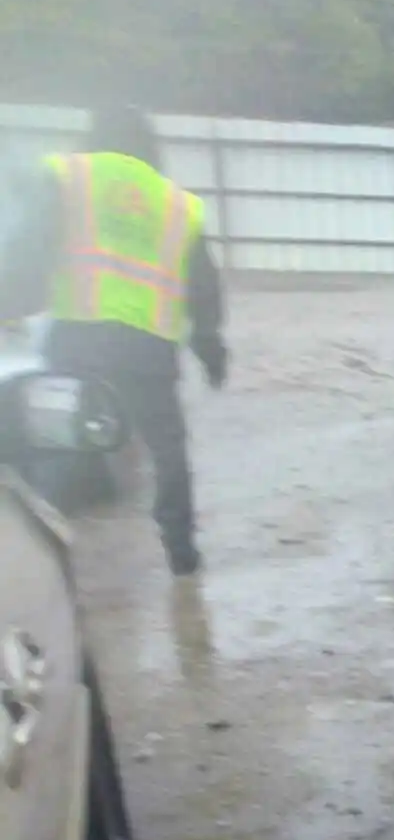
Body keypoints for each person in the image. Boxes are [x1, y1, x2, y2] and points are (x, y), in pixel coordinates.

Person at [0, 104, 228, 575]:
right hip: (149, 346)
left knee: (54, 439)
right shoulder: (177, 203)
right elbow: (203, 285)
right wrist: (210, 346)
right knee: (167, 450)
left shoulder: (72, 177)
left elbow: (31, 247)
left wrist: (9, 303)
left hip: (80, 338)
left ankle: (43, 560)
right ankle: (183, 557)